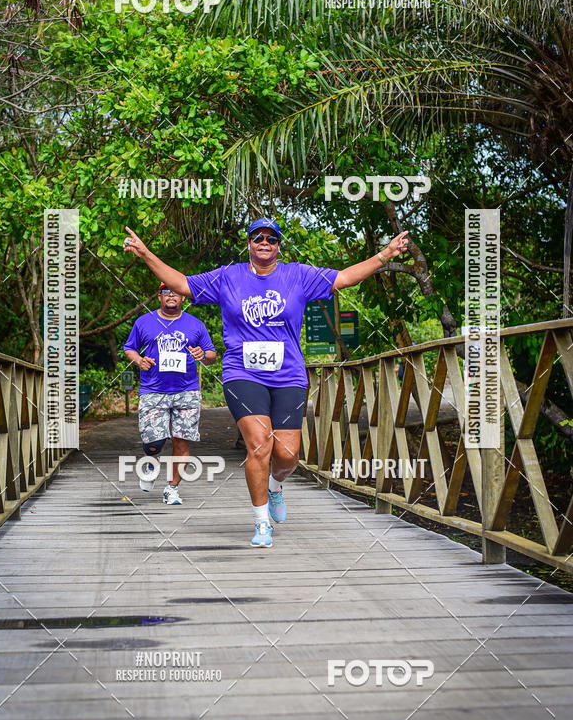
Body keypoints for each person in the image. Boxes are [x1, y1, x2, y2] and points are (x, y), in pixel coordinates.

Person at [123, 219, 409, 545]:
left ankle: (276, 486)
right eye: (258, 237)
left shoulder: (297, 275)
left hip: (288, 375)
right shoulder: (228, 277)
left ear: (278, 245)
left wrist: (384, 255)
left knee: (287, 454)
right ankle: (261, 523)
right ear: (249, 243)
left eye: (271, 238)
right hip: (242, 373)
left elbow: (343, 278)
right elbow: (183, 283)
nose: (264, 242)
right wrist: (146, 254)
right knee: (260, 444)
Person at [123, 282, 216, 504]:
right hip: (153, 390)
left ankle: (172, 488)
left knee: (182, 441)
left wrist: (202, 354)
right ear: (159, 297)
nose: (171, 295)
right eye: (166, 292)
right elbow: (129, 348)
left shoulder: (195, 324)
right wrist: (139, 360)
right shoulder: (144, 322)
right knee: (154, 439)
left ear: (183, 297)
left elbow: (212, 355)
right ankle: (149, 460)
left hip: (187, 390)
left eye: (176, 292)